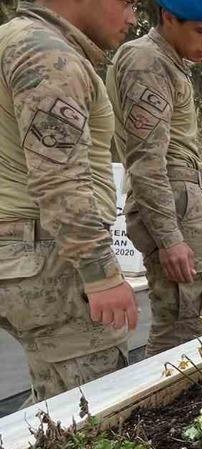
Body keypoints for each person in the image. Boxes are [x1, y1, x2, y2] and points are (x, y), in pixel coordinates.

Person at [0, 0, 138, 404]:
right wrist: (101, 275)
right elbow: (59, 177)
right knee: (93, 408)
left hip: (25, 250)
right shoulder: (47, 54)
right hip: (50, 257)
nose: (133, 17)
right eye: (128, 2)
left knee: (52, 402)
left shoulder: (13, 39)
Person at [107, 0, 202, 356]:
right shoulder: (147, 61)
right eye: (201, 31)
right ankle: (158, 392)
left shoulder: (168, 62)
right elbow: (147, 161)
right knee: (181, 331)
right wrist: (169, 239)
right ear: (168, 18)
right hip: (171, 199)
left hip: (183, 200)